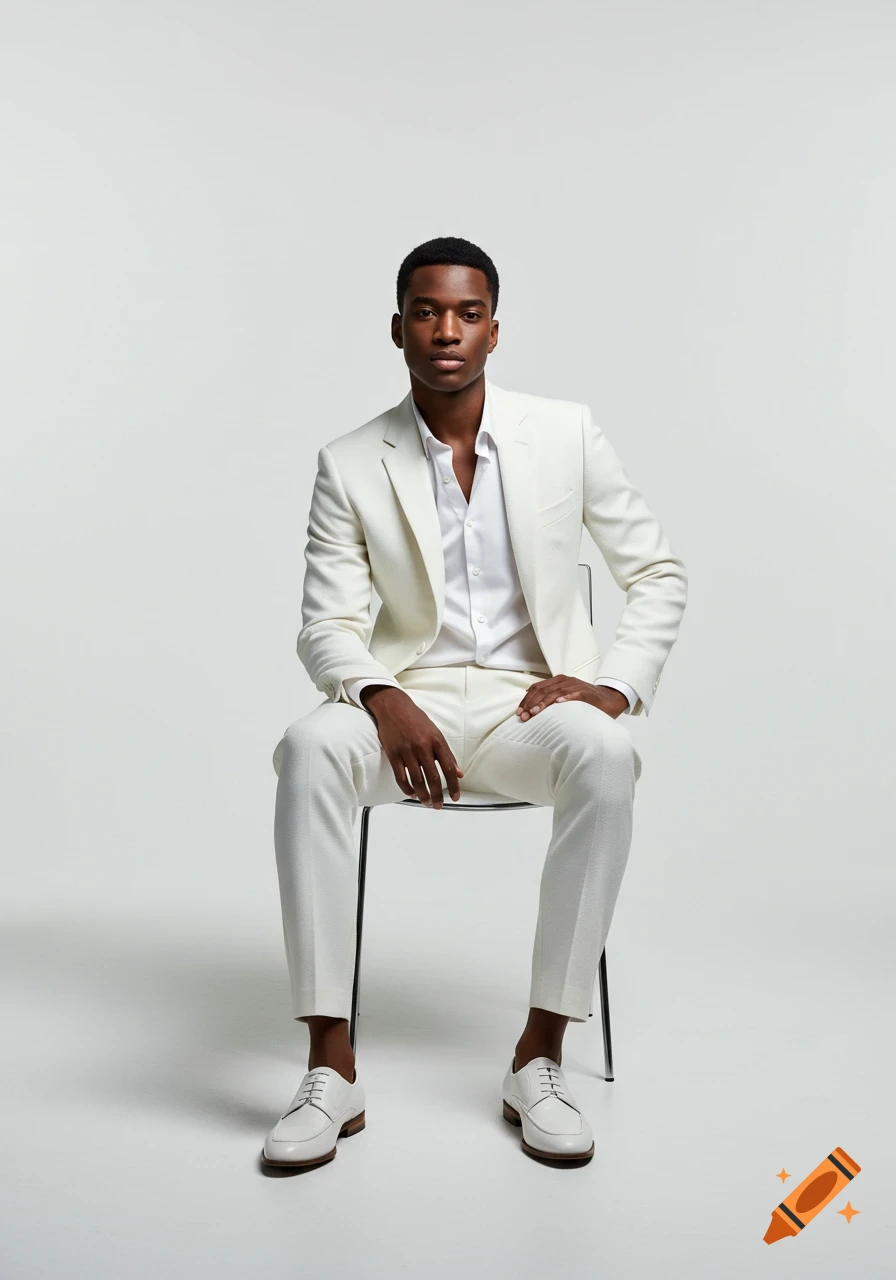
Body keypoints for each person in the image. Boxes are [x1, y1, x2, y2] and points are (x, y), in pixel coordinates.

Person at [263, 236, 688, 1170]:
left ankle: (539, 1056)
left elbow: (657, 572)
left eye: (467, 313)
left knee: (608, 755)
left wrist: (610, 686)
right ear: (398, 329)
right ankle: (330, 1066)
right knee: (309, 746)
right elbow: (325, 625)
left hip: (525, 712)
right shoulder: (350, 461)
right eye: (426, 312)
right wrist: (381, 695)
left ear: (495, 330)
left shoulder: (565, 433)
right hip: (404, 712)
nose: (446, 331)